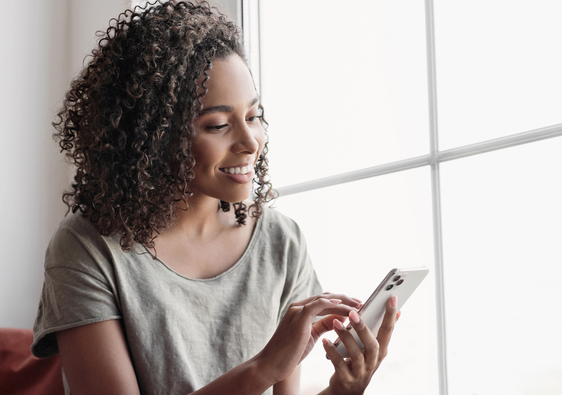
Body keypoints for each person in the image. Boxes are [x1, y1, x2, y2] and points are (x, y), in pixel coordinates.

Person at [30, 1, 398, 394]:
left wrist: (343, 390)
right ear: (154, 136)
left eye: (254, 116)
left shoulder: (281, 243)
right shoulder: (87, 248)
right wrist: (262, 368)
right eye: (218, 124)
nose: (250, 142)